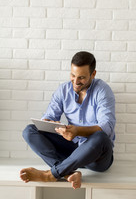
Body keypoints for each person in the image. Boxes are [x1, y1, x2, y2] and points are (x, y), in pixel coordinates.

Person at [20, 51, 116, 189]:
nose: (76, 82)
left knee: (100, 136)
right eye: (73, 75)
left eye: (81, 77)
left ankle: (50, 175)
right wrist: (49, 123)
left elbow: (107, 126)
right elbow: (49, 116)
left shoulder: (102, 91)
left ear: (93, 74)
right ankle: (67, 173)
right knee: (30, 130)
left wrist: (78, 131)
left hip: (96, 157)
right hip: (71, 150)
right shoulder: (63, 90)